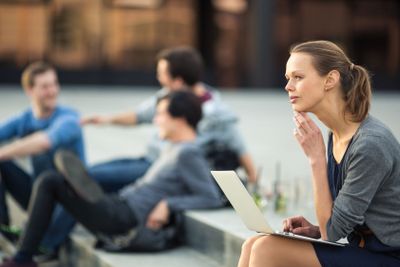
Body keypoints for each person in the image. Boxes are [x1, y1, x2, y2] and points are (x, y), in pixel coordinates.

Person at [0, 91, 223, 267]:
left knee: (51, 181)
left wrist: (168, 204)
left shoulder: (188, 153)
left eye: (161, 114)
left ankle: (23, 257)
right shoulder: (174, 148)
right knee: (55, 181)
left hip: (125, 217)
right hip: (120, 205)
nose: (156, 120)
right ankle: (30, 249)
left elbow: (209, 197)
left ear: (181, 120)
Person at [238, 40, 400, 267]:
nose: (288, 86)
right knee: (253, 243)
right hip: (364, 251)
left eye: (298, 77)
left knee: (267, 249)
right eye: (288, 78)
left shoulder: (370, 144)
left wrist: (316, 160)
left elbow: (331, 234)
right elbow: (335, 226)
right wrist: (314, 229)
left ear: (330, 80)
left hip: (389, 257)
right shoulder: (337, 134)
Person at [82, 46, 257, 193]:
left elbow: (239, 148)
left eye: (161, 74)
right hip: (148, 159)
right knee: (85, 174)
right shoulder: (168, 96)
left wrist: (254, 182)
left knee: (87, 178)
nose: (159, 79)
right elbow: (139, 115)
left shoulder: (217, 115)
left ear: (178, 82)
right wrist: (104, 119)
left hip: (162, 171)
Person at [0, 62, 85, 257]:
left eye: (54, 84)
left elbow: (44, 142)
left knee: (39, 154)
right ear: (30, 90)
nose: (52, 91)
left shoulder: (69, 118)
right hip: (38, 194)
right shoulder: (24, 119)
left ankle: (44, 242)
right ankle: (2, 228)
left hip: (68, 199)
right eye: (45, 86)